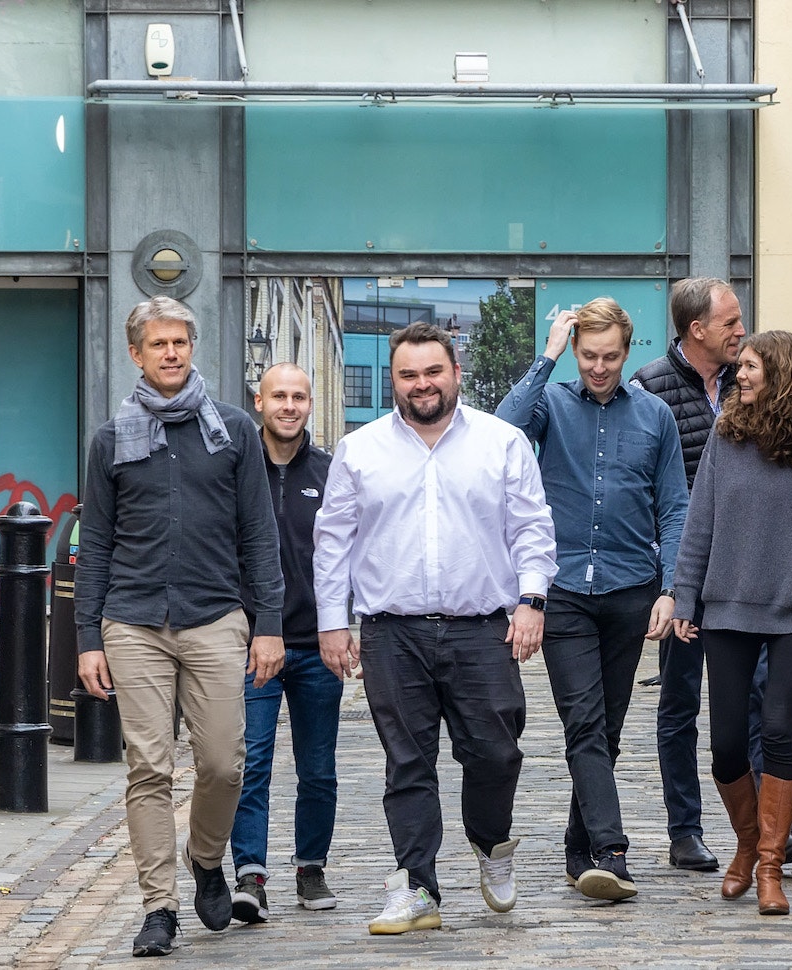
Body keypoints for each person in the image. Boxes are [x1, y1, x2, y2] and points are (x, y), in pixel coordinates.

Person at [314, 322, 557, 935]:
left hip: (484, 630)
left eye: (433, 372)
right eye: (408, 375)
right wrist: (331, 622)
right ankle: (418, 886)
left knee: (496, 753)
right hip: (391, 633)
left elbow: (533, 527)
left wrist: (532, 601)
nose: (422, 384)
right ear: (394, 381)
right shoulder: (361, 448)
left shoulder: (502, 443)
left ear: (455, 373)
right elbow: (332, 541)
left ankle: (492, 843)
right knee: (408, 761)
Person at [75, 296, 285, 958]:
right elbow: (97, 545)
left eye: (181, 343)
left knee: (225, 762)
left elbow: (259, 534)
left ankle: (204, 856)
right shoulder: (111, 439)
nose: (171, 353)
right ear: (135, 354)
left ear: (193, 349)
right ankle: (159, 907)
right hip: (132, 623)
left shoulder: (234, 431)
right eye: (158, 344)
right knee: (149, 768)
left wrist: (269, 623)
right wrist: (87, 638)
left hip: (216, 618)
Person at [496, 297, 688, 902]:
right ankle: (612, 849)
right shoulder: (550, 404)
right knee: (583, 723)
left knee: (605, 729)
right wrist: (547, 355)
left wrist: (672, 587)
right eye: (587, 356)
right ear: (574, 352)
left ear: (628, 352)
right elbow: (502, 429)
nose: (598, 368)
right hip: (565, 592)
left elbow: (675, 507)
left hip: (632, 591)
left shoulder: (655, 416)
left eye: (609, 357)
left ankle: (579, 849)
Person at [671, 331, 792, 917]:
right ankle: (748, 841)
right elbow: (700, 523)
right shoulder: (726, 433)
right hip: (727, 607)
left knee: (778, 730)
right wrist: (684, 600)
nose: (739, 375)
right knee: (727, 745)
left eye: (748, 367)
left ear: (778, 372)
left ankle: (770, 864)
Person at [631, 277, 792, 872]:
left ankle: (765, 829)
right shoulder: (649, 388)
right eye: (731, 323)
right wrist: (671, 582)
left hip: (747, 580)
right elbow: (646, 494)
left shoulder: (751, 379)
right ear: (696, 330)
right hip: (687, 576)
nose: (741, 331)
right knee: (681, 703)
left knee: (758, 703)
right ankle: (685, 828)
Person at [228, 363, 342, 924]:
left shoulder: (329, 471)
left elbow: (349, 557)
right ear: (259, 401)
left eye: (299, 396)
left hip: (317, 646)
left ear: (309, 404)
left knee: (318, 768)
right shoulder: (235, 472)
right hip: (251, 647)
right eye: (279, 396)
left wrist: (347, 626)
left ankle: (310, 867)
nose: (289, 406)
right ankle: (250, 875)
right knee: (250, 764)